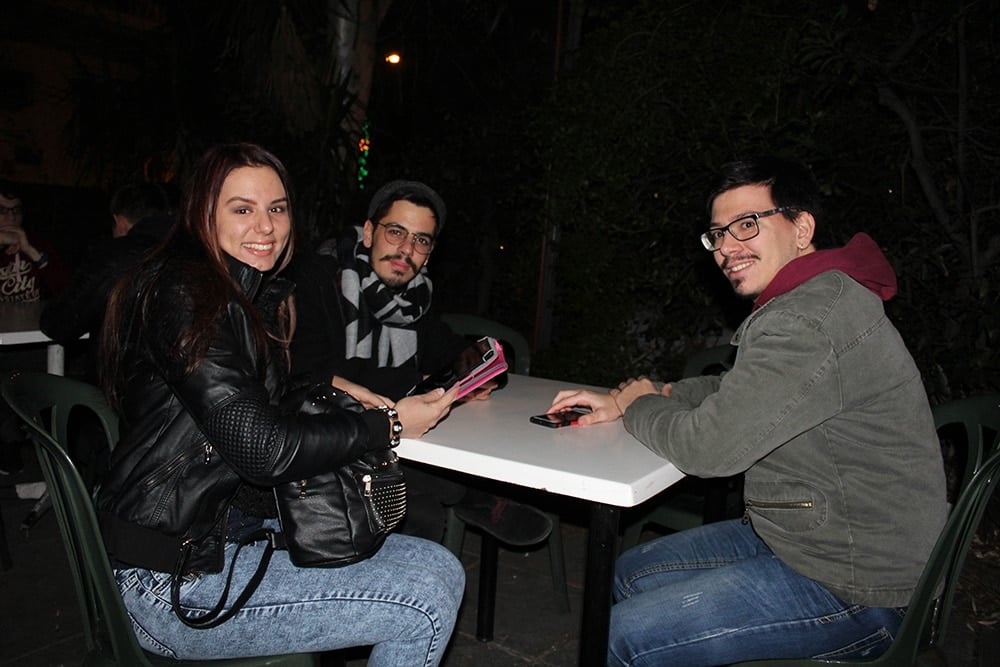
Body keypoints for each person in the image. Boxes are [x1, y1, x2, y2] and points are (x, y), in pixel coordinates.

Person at [547, 156, 948, 666]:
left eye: (747, 224)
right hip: (808, 538)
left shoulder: (807, 319)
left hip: (862, 586)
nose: (727, 248)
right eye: (718, 234)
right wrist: (652, 395)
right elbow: (739, 390)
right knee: (632, 572)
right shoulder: (816, 295)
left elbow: (708, 449)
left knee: (621, 636)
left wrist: (639, 404)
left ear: (801, 228)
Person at [95, 143, 465, 664]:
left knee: (441, 566)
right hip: (167, 578)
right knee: (425, 599)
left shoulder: (243, 292)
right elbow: (264, 451)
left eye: (277, 208)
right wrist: (388, 425)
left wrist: (329, 387)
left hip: (220, 533)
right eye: (242, 209)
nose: (265, 227)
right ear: (203, 213)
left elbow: (253, 396)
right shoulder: (186, 295)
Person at [288, 180, 553, 545]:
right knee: (427, 507)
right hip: (322, 438)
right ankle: (474, 498)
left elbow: (444, 346)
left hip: (389, 434)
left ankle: (472, 499)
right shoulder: (318, 279)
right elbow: (308, 372)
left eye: (421, 240)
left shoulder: (415, 297)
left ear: (429, 253)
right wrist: (416, 380)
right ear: (369, 232)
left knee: (429, 494)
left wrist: (478, 372)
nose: (406, 249)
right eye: (396, 232)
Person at [41, 182, 176, 380]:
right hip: (182, 388)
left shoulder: (113, 256)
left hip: (119, 390)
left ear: (119, 222)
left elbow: (58, 323)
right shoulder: (196, 252)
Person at [1, 181, 71, 475]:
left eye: (16, 211)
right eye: (3, 211)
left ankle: (44, 456)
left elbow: (66, 292)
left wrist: (30, 250)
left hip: (34, 343)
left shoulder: (38, 243)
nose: (11, 218)